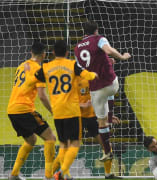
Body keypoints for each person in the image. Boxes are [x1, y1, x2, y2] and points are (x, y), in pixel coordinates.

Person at [24, 40, 97, 180]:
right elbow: (88, 76)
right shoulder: (72, 65)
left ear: (52, 53)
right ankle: (63, 171)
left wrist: (28, 72)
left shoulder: (46, 67)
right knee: (75, 142)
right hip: (72, 110)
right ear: (67, 52)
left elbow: (29, 82)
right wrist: (95, 75)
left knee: (63, 144)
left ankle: (57, 175)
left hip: (57, 112)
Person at [74, 21, 131, 162]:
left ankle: (107, 152)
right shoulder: (98, 39)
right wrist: (122, 57)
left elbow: (80, 67)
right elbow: (108, 50)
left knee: (101, 122)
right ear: (96, 30)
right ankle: (110, 115)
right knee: (111, 90)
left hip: (95, 89)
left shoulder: (76, 49)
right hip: (110, 83)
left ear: (84, 32)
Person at [7, 42, 56, 180]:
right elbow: (42, 95)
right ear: (44, 54)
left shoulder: (21, 66)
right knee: (50, 138)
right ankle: (48, 176)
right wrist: (53, 111)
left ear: (31, 52)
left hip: (12, 109)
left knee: (31, 140)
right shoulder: (38, 69)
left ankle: (14, 174)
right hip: (24, 109)